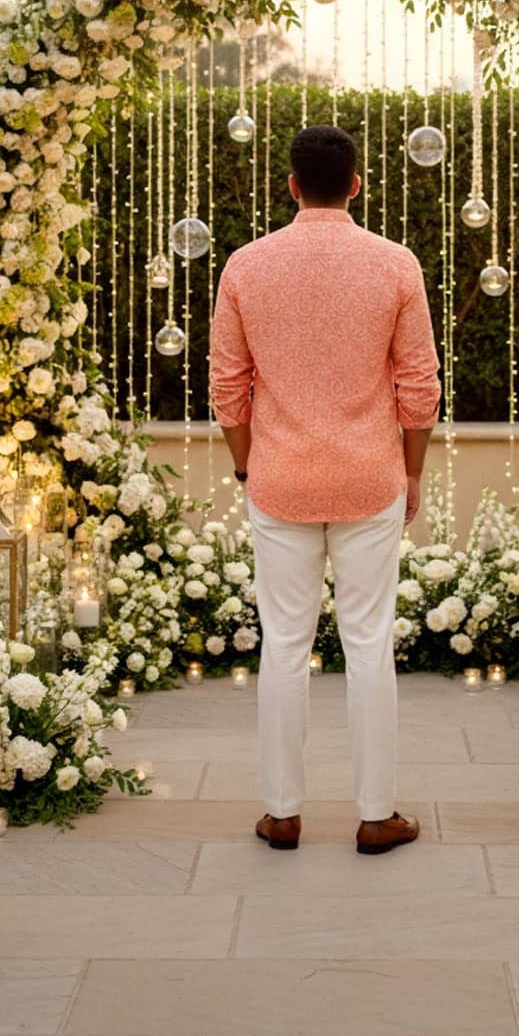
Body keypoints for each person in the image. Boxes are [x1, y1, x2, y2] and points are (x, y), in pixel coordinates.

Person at [209, 124, 441, 854]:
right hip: (370, 477)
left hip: (278, 479)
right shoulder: (395, 264)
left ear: (290, 186)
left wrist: (248, 466)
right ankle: (376, 815)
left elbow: (227, 387)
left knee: (283, 644)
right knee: (368, 644)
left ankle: (281, 812)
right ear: (358, 185)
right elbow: (420, 385)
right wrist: (412, 472)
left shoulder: (246, 266)